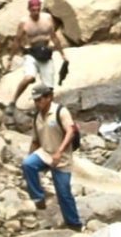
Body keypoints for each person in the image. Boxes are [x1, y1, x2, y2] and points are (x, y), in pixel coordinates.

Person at [20, 90, 85, 229]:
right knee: (28, 164)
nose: (37, 103)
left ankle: (74, 224)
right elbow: (36, 140)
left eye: (40, 100)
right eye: (35, 100)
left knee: (63, 193)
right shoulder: (37, 116)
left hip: (62, 158)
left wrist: (59, 152)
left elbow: (71, 131)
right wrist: (30, 158)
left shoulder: (60, 111)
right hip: (45, 154)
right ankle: (39, 198)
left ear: (49, 98)